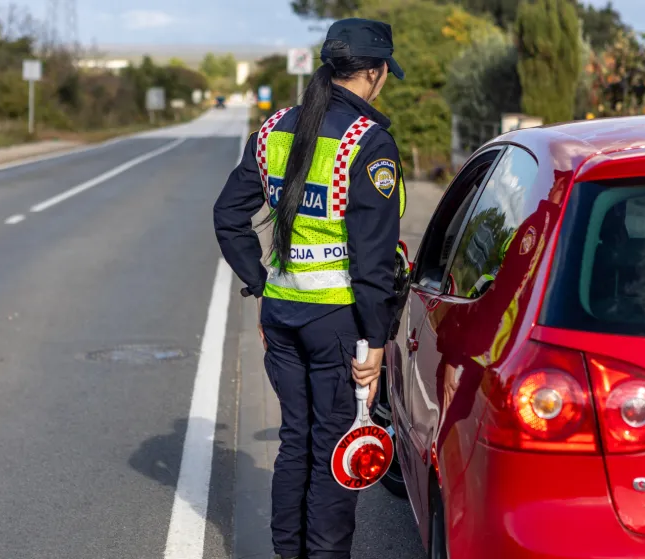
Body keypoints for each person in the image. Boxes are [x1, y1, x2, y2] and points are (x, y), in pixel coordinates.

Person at [213, 17, 406, 559]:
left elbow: (228, 215)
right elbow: (372, 262)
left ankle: (287, 552)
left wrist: (261, 284)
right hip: (338, 324)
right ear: (374, 73)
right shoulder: (369, 145)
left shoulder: (274, 129)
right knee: (331, 449)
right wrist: (374, 342)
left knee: (295, 442)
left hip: (284, 317)